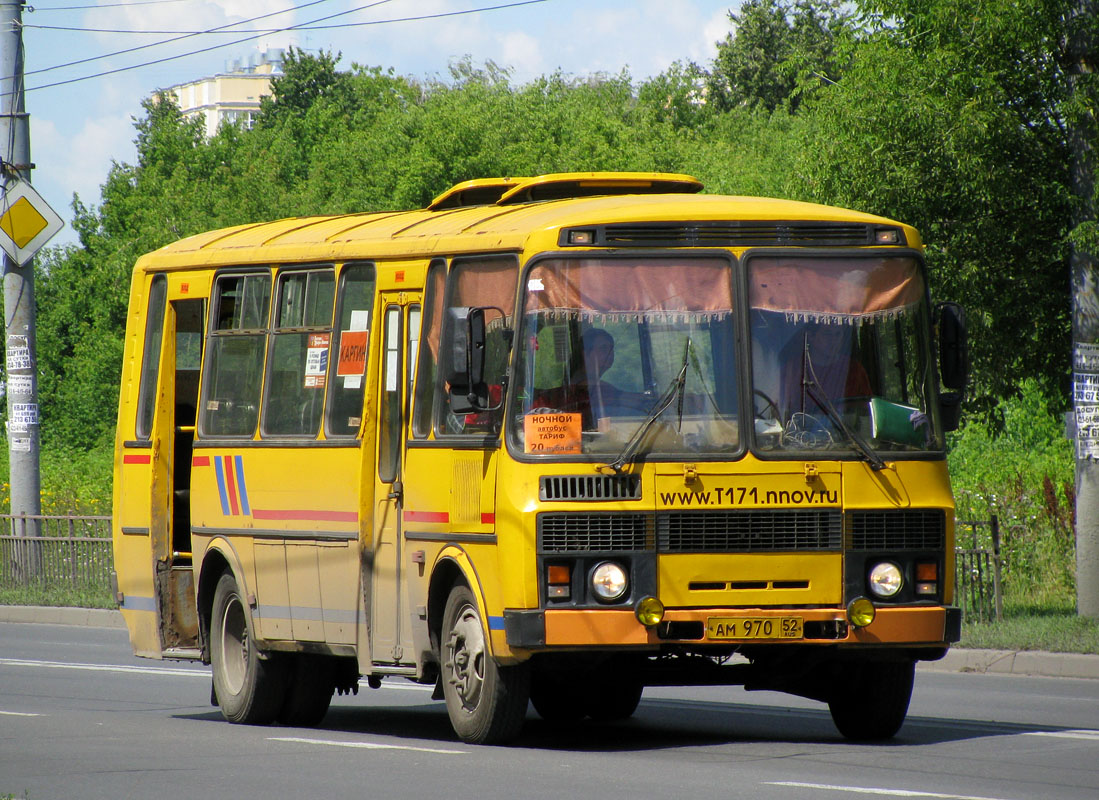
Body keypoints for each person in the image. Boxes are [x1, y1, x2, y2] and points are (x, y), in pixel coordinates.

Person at [780, 321, 871, 420]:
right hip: (803, 432)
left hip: (844, 432)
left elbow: (866, 413)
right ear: (810, 336)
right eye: (827, 334)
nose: (834, 340)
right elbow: (783, 409)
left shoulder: (854, 370)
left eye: (838, 334)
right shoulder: (793, 369)